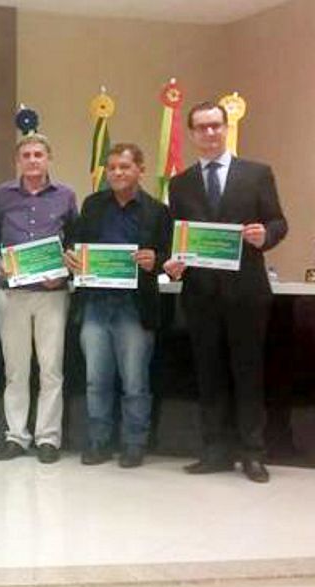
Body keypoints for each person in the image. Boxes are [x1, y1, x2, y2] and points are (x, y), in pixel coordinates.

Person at [163, 102, 287, 483]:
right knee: (209, 374)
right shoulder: (180, 183)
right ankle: (215, 451)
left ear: (226, 128)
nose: (210, 133)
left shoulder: (257, 173)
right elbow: (177, 237)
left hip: (246, 294)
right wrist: (174, 261)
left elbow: (278, 221)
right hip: (201, 296)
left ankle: (253, 453)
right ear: (192, 134)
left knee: (248, 374)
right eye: (201, 127)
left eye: (215, 125)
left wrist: (265, 235)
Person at [63, 143, 171, 468]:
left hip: (135, 307)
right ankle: (99, 442)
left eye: (124, 167)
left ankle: (134, 443)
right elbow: (74, 241)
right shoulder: (93, 204)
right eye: (111, 168)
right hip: (95, 304)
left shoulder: (157, 211)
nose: (117, 173)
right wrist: (71, 255)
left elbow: (171, 254)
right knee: (96, 380)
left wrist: (157, 260)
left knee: (135, 381)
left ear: (140, 170)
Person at [0, 133, 77, 464]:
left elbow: (74, 244)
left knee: (51, 369)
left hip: (51, 294)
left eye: (38, 154)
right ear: (18, 160)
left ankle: (48, 438)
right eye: (26, 155)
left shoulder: (66, 196)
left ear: (48, 158)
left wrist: (64, 272)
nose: (32, 160)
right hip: (12, 293)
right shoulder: (2, 195)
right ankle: (16, 436)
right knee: (15, 369)